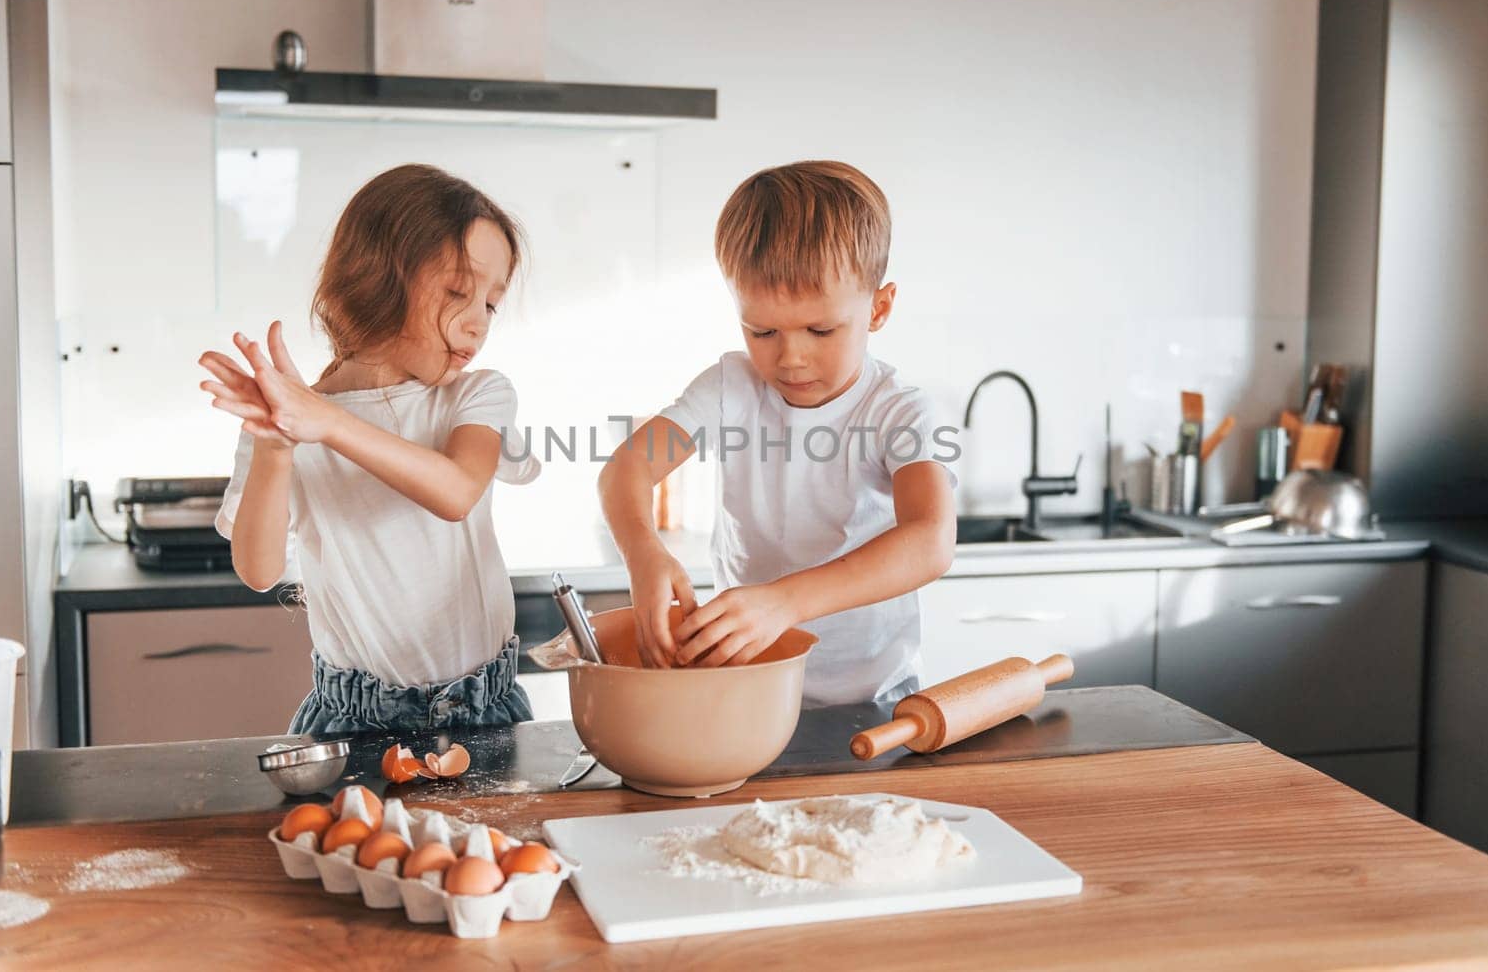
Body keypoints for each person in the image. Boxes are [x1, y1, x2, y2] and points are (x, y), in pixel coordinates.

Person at [598, 160, 958, 706]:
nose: (790, 357)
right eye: (762, 330)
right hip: (750, 687)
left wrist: (785, 602)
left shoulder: (899, 412)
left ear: (878, 308)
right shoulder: (730, 387)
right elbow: (628, 467)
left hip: (873, 696)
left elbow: (930, 541)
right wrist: (643, 552)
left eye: (820, 329)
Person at [199, 163, 540, 734]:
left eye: (491, 303)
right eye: (459, 291)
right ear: (379, 279)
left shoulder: (478, 395)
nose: (479, 322)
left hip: (487, 710)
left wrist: (325, 421)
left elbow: (455, 491)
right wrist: (277, 448)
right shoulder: (290, 420)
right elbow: (257, 570)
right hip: (353, 722)